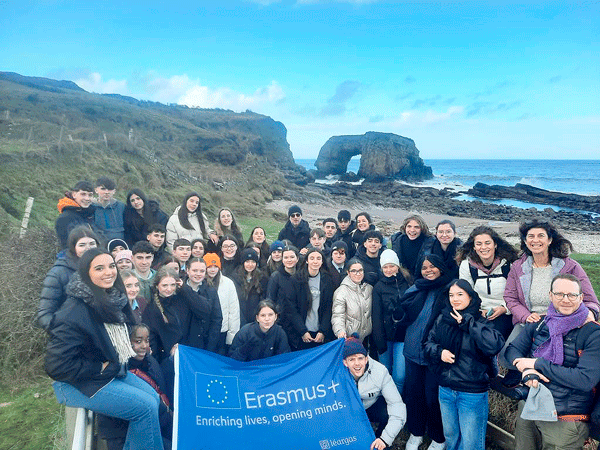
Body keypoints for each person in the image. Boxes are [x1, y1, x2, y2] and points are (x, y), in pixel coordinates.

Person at [45, 248, 164, 450]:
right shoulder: (73, 312)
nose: (108, 272)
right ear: (86, 273)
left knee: (153, 398)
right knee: (145, 407)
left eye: (111, 266)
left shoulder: (112, 299)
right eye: (99, 268)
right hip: (77, 383)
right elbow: (56, 366)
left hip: (109, 372)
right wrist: (98, 367)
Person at [506, 274, 600, 450]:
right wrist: (527, 370)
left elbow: (585, 380)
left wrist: (537, 364)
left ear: (581, 297)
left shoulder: (593, 333)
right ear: (550, 295)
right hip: (531, 405)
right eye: (559, 294)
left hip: (565, 419)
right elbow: (512, 350)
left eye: (572, 295)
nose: (566, 299)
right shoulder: (541, 323)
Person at [501, 219, 599, 386]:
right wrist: (525, 316)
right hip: (530, 321)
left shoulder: (570, 266)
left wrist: (590, 314)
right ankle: (526, 369)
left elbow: (590, 300)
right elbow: (510, 297)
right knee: (506, 355)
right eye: (531, 236)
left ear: (550, 240)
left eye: (541, 235)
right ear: (525, 241)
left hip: (564, 321)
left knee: (566, 356)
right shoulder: (518, 267)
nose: (535, 240)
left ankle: (544, 372)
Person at [425, 280, 505, 450]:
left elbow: (494, 345)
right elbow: (427, 344)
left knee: (471, 443)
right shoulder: (443, 318)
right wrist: (439, 352)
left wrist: (468, 324)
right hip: (446, 389)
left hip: (471, 392)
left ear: (470, 296)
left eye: (460, 294)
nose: (455, 299)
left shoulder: (480, 321)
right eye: (451, 295)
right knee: (451, 437)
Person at [398, 254, 451, 450]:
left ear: (440, 267)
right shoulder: (414, 289)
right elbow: (403, 316)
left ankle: (438, 437)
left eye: (432, 266)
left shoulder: (448, 290)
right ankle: (416, 432)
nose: (428, 270)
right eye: (424, 267)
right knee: (414, 394)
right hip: (412, 350)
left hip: (434, 354)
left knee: (433, 397)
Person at [342, 334, 407, 450]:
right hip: (348, 411)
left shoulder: (380, 371)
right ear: (345, 362)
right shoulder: (337, 374)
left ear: (366, 359)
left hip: (370, 406)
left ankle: (379, 442)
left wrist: (385, 439)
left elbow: (397, 405)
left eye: (360, 358)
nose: (357, 363)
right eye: (352, 359)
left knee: (388, 411)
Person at [457, 226, 519, 339]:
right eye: (479, 244)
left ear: (495, 244)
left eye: (487, 243)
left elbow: (517, 294)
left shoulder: (508, 265)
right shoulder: (467, 266)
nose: (483, 247)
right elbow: (466, 294)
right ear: (474, 247)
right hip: (478, 312)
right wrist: (478, 311)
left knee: (494, 337)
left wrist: (504, 308)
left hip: (505, 312)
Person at [37, 226, 100, 330]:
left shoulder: (106, 269)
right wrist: (61, 333)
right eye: (82, 245)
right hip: (74, 331)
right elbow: (45, 313)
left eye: (92, 243)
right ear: (73, 248)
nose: (88, 248)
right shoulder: (58, 273)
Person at [371, 249, 410, 395]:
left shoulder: (407, 282)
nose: (389, 270)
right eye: (385, 267)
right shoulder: (379, 287)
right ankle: (386, 402)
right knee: (385, 373)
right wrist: (379, 341)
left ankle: (396, 402)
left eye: (392, 266)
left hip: (403, 336)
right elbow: (376, 315)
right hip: (385, 336)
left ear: (397, 266)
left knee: (399, 375)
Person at [283, 248, 335, 351]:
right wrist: (303, 331)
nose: (315, 261)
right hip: (301, 332)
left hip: (320, 333)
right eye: (312, 258)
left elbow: (328, 308)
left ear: (322, 261)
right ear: (306, 260)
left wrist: (323, 331)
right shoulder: (295, 280)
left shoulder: (327, 280)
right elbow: (291, 309)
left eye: (318, 258)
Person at [182, 258, 223, 353]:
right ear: (187, 270)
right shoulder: (180, 289)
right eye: (194, 270)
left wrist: (211, 345)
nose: (198, 274)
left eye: (202, 271)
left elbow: (216, 319)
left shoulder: (210, 291)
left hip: (203, 342)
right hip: (183, 342)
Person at [204, 253, 241, 355]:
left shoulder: (228, 283)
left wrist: (232, 335)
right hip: (204, 331)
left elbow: (234, 310)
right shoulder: (200, 282)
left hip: (222, 331)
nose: (213, 270)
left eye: (215, 266)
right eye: (209, 267)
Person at [331, 259, 373, 342]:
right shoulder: (341, 291)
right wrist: (340, 331)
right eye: (354, 271)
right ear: (348, 272)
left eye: (360, 270)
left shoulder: (369, 288)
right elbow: (338, 315)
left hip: (367, 337)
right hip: (349, 338)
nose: (358, 273)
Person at [55, 180, 97, 250]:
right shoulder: (65, 218)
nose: (87, 198)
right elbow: (66, 247)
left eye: (90, 195)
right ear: (74, 194)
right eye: (83, 194)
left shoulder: (91, 213)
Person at [231, 248, 269, 325]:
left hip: (256, 319)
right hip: (239, 317)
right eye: (247, 261)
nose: (250, 265)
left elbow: (264, 299)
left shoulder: (262, 278)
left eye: (253, 262)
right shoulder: (235, 278)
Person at [391, 214, 435, 279]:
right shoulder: (397, 240)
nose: (412, 230)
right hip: (403, 277)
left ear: (422, 229)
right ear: (405, 227)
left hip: (423, 278)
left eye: (416, 227)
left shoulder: (430, 242)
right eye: (409, 226)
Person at [93, 177, 125, 242]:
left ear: (114, 191)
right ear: (96, 190)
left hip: (119, 243)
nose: (106, 192)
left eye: (110, 189)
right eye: (103, 189)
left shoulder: (122, 207)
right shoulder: (90, 207)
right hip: (99, 243)